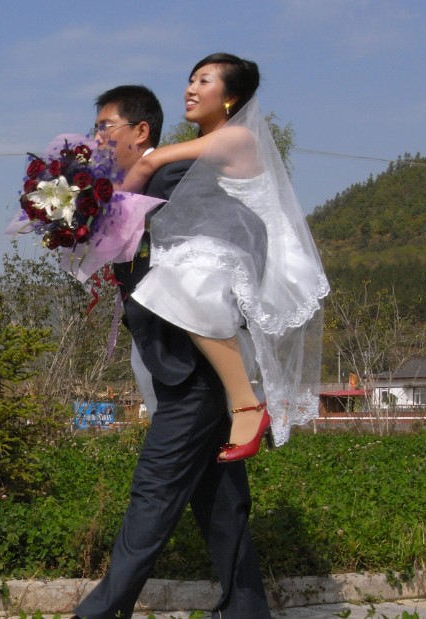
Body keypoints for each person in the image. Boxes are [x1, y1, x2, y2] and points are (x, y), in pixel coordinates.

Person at [72, 83, 272, 619]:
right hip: (174, 370)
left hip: (195, 375)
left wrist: (212, 292)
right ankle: (248, 611)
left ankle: (98, 612)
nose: (96, 139)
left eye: (105, 128)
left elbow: (243, 224)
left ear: (141, 132)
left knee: (153, 495)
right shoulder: (123, 195)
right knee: (221, 504)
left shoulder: (174, 177)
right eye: (94, 129)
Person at [119, 53, 328, 458]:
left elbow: (152, 163)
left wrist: (103, 208)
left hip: (255, 247)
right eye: (191, 79)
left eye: (204, 81)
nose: (190, 89)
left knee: (183, 283)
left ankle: (248, 404)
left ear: (230, 98)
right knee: (172, 281)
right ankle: (230, 404)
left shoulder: (237, 137)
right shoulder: (203, 145)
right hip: (233, 240)